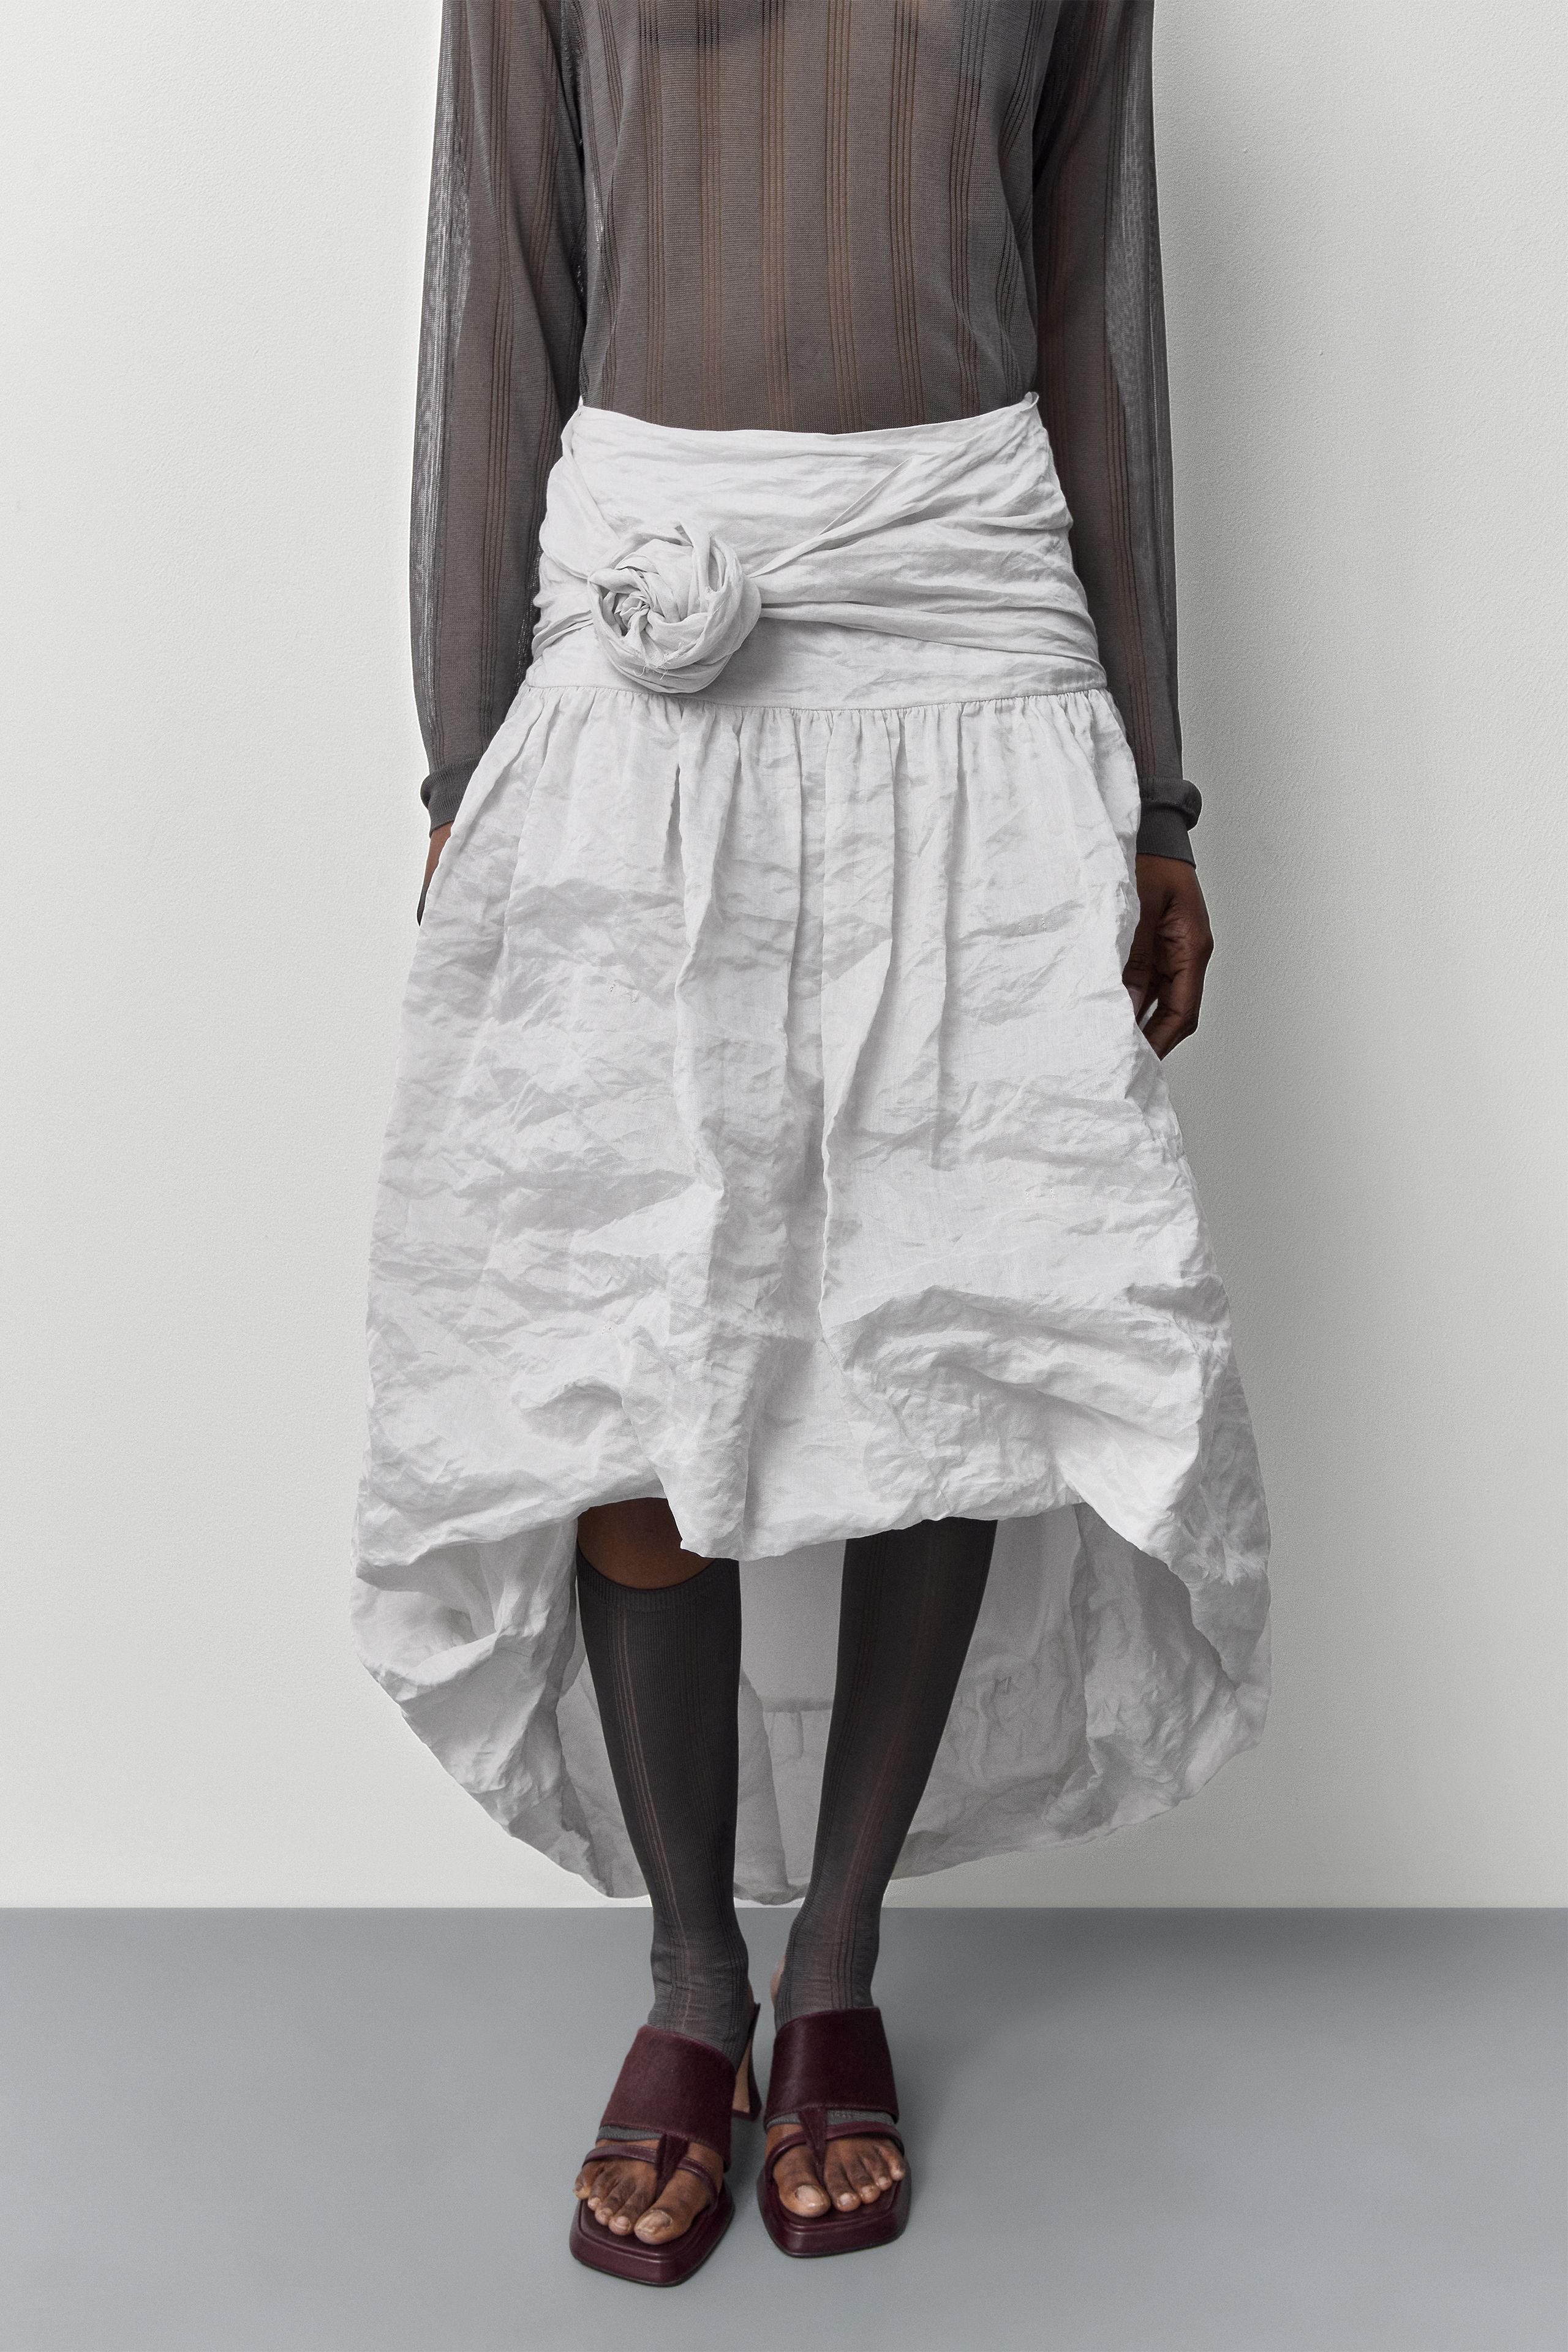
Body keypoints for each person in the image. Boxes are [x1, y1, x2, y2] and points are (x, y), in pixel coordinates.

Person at [352, 0, 1270, 2285]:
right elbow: (496, 295)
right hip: (649, 674)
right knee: (634, 1340)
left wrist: (1157, 798)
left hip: (970, 661)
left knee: (939, 1331)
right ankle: (696, 1977)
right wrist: (468, 759)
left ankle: (837, 1959)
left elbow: (1101, 322)